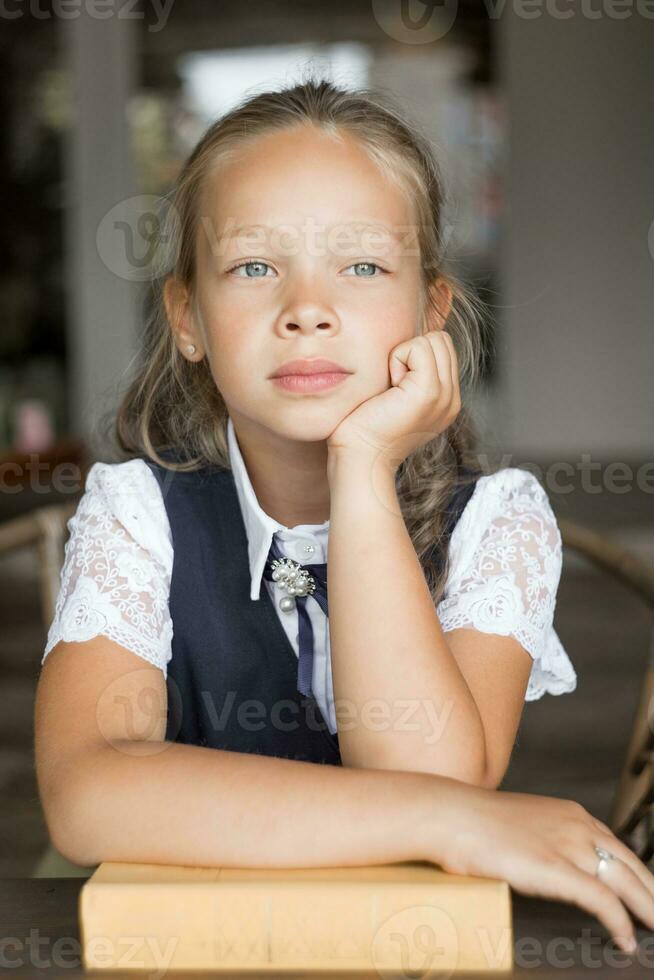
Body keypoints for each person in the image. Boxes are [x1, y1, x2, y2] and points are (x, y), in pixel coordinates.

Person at [34, 77, 653, 954]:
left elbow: (427, 771)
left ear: (431, 310)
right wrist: (455, 824)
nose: (308, 311)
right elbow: (86, 797)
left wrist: (362, 469)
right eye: (255, 266)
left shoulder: (498, 523)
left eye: (362, 266)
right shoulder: (138, 514)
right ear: (188, 318)